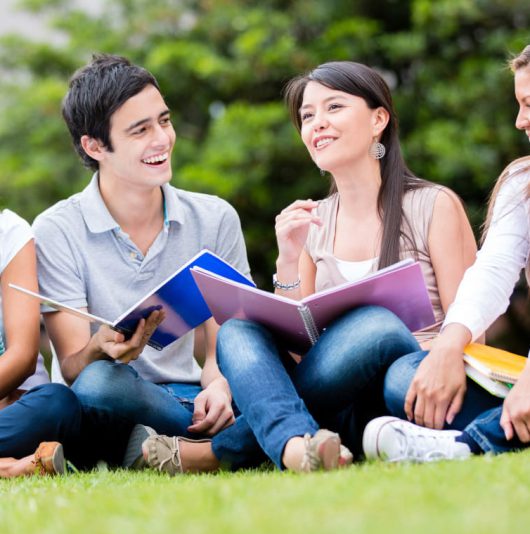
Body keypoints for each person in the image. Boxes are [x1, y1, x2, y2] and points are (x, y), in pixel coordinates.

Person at [193, 60, 478, 473]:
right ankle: (296, 446)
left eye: (334, 108)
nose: (317, 124)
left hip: (409, 383)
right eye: (308, 116)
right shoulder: (313, 223)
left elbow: (474, 326)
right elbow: (297, 348)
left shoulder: (434, 205)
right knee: (236, 331)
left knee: (375, 325)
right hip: (338, 402)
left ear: (379, 119)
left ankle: (223, 452)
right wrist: (287, 259)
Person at [33, 53, 270, 473]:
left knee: (273, 378)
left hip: (186, 392)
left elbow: (226, 344)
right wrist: (98, 348)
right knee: (98, 382)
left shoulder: (214, 218)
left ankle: (172, 447)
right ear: (94, 146)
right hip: (106, 398)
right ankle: (223, 443)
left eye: (164, 120)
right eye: (140, 130)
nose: (162, 139)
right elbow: (71, 368)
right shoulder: (58, 228)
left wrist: (217, 383)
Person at [363, 44, 530, 463]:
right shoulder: (523, 183)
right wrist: (446, 349)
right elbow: (493, 270)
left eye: (529, 104)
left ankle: (463, 446)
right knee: (408, 378)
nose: (520, 120)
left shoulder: (431, 204)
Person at [0, 208, 83, 477]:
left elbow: (22, 357)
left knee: (58, 403)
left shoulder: (8, 231)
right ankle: (11, 467)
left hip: (16, 410)